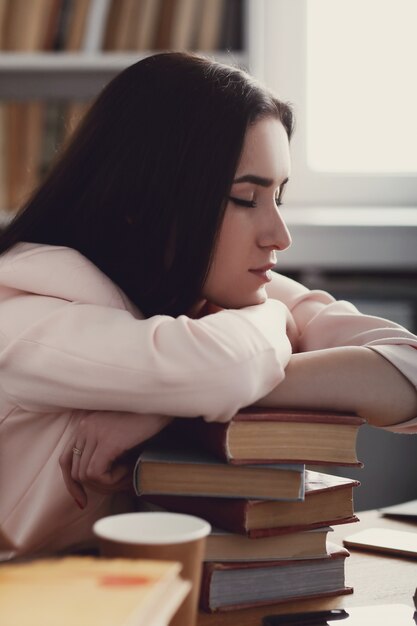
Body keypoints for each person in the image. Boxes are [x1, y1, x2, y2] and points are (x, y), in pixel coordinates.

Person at [0, 52, 416, 561]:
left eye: (278, 197)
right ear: (148, 200)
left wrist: (164, 410)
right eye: (246, 198)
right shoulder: (24, 313)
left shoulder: (205, 293)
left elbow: (407, 367)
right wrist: (268, 326)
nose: (278, 235)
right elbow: (222, 367)